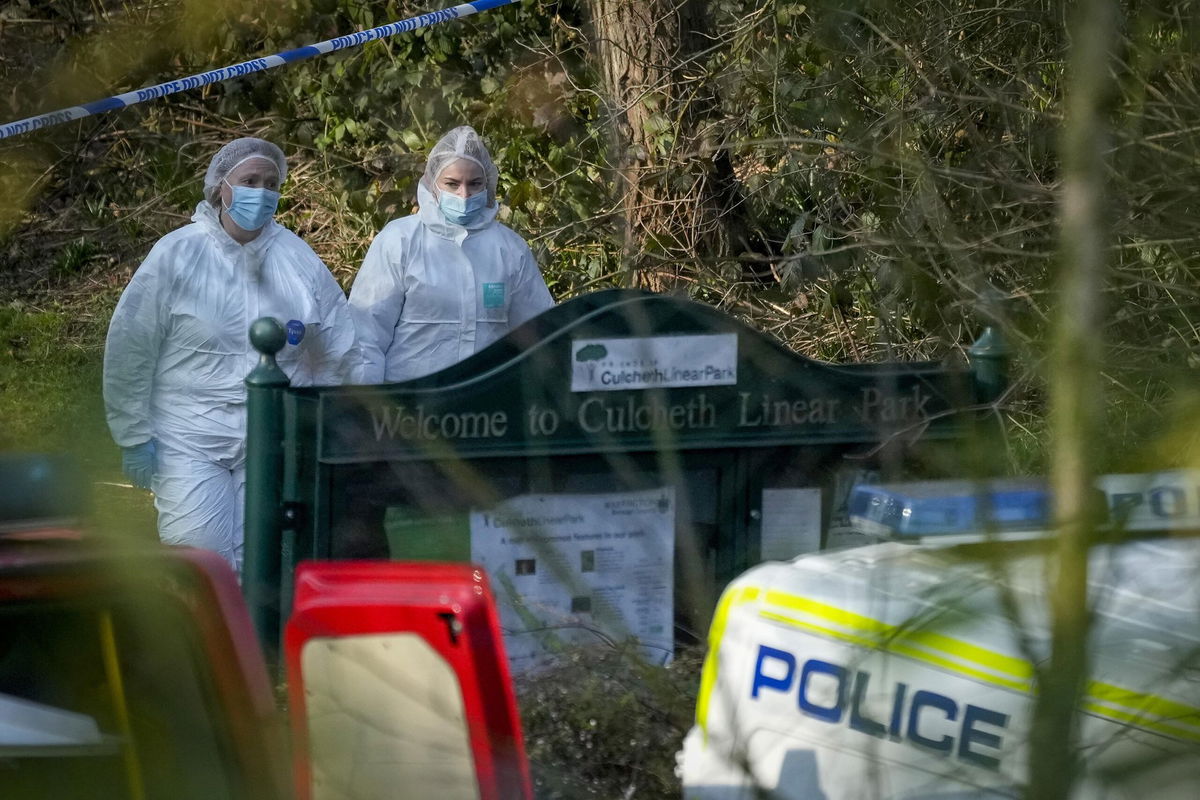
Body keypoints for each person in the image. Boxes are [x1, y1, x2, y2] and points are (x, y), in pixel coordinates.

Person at [103, 137, 358, 571]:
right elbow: (131, 346)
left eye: (271, 183)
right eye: (249, 180)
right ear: (221, 187)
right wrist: (133, 433)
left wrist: (330, 424)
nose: (261, 191)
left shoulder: (298, 261)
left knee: (262, 566)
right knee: (201, 564)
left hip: (271, 437)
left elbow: (339, 348)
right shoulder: (177, 255)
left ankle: (254, 642)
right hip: (188, 437)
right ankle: (198, 641)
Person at [349, 125, 554, 383]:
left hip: (485, 404)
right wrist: (369, 406)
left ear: (489, 183)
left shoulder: (510, 249)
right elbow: (366, 334)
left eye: (475, 184)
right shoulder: (400, 240)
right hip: (409, 401)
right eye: (452, 184)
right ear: (433, 183)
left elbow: (539, 332)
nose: (464, 194)